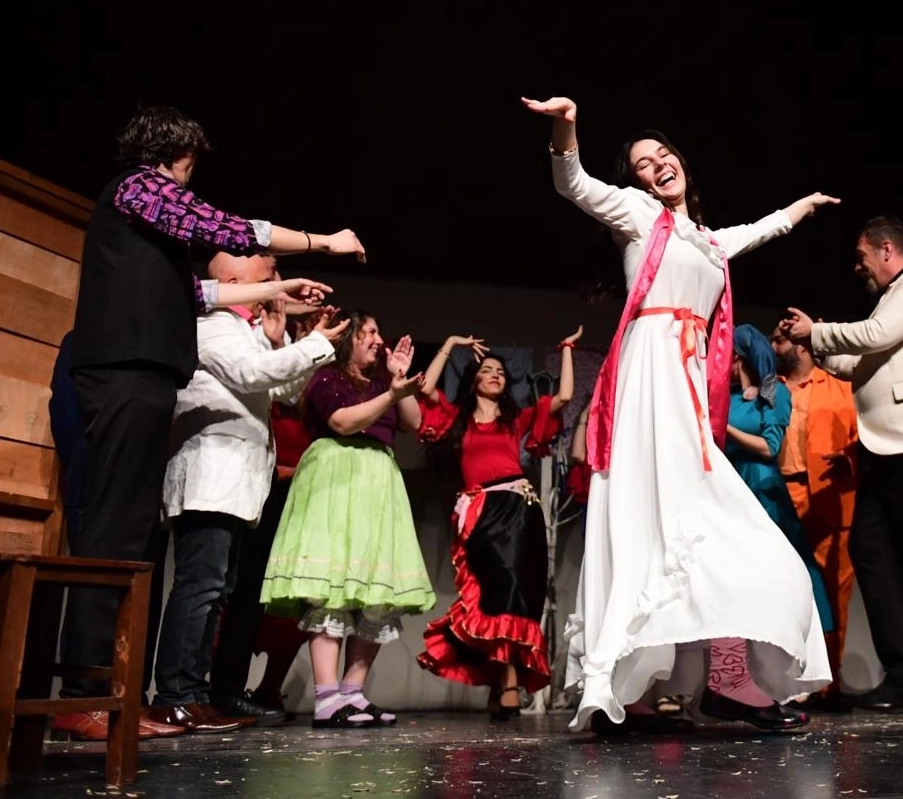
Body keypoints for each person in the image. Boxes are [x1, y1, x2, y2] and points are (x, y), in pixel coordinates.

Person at [523, 95, 836, 734]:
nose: (657, 166)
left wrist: (803, 207)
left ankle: (720, 682)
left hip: (688, 385)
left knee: (703, 528)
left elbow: (762, 229)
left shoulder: (710, 242)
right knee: (653, 524)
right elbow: (573, 183)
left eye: (663, 155)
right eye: (643, 163)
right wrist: (565, 127)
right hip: (650, 379)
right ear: (636, 181)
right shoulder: (638, 214)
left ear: (683, 164)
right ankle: (646, 692)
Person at [53, 104, 364, 741]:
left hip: (145, 376)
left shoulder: (146, 230)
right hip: (125, 371)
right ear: (181, 155)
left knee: (131, 538)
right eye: (192, 165)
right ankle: (83, 693)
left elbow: (200, 294)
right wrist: (321, 241)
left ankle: (111, 693)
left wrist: (276, 291)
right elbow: (222, 226)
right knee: (113, 532)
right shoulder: (140, 189)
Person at [780, 215, 903, 715]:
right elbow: (856, 365)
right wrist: (813, 346)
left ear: (886, 249)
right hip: (887, 452)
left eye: (862, 257)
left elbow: (875, 335)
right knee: (872, 552)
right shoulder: (891, 302)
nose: (858, 267)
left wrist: (818, 329)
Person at [149, 253, 349, 734]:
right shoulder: (213, 323)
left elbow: (282, 390)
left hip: (234, 484)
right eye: (264, 267)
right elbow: (250, 375)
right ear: (232, 278)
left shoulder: (246, 331)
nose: (272, 274)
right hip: (211, 476)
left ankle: (195, 694)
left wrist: (285, 342)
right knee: (200, 588)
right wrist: (313, 344)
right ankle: (174, 696)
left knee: (217, 592)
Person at [260, 311, 436, 729]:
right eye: (369, 332)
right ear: (349, 339)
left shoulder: (382, 385)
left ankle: (352, 693)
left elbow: (414, 421)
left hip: (377, 482)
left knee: (375, 591)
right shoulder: (326, 377)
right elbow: (342, 421)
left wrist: (398, 380)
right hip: (336, 476)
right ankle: (326, 697)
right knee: (331, 587)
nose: (378, 339)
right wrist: (390, 395)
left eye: (379, 332)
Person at [415, 328, 580, 719]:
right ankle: (504, 680)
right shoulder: (457, 420)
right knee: (497, 590)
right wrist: (450, 346)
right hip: (481, 514)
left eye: (501, 373)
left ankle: (503, 681)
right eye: (487, 370)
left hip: (520, 510)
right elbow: (425, 389)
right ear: (473, 380)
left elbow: (564, 397)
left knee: (517, 594)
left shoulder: (515, 419)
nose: (495, 375)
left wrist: (567, 349)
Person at [770, 320, 859, 708]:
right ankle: (782, 682)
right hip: (778, 493)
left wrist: (850, 459)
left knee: (834, 590)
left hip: (827, 493)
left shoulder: (840, 387)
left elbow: (864, 434)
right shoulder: (769, 388)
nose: (773, 346)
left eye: (780, 340)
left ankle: (828, 682)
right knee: (781, 589)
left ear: (802, 346)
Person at [725, 323, 834, 634]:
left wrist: (723, 428)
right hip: (730, 483)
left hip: (760, 486)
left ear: (738, 357)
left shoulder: (773, 390)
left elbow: (769, 447)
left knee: (771, 566)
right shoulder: (727, 396)